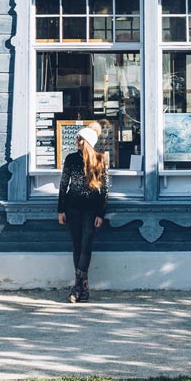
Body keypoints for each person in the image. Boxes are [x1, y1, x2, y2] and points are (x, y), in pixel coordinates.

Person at [56, 124, 108, 302]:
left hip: (91, 209)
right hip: (73, 207)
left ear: (88, 142)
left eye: (80, 138)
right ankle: (82, 289)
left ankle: (77, 288)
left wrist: (101, 214)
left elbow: (105, 190)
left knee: (86, 246)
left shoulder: (100, 160)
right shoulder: (71, 159)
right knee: (77, 245)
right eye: (77, 138)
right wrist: (61, 210)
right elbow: (64, 185)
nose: (76, 141)